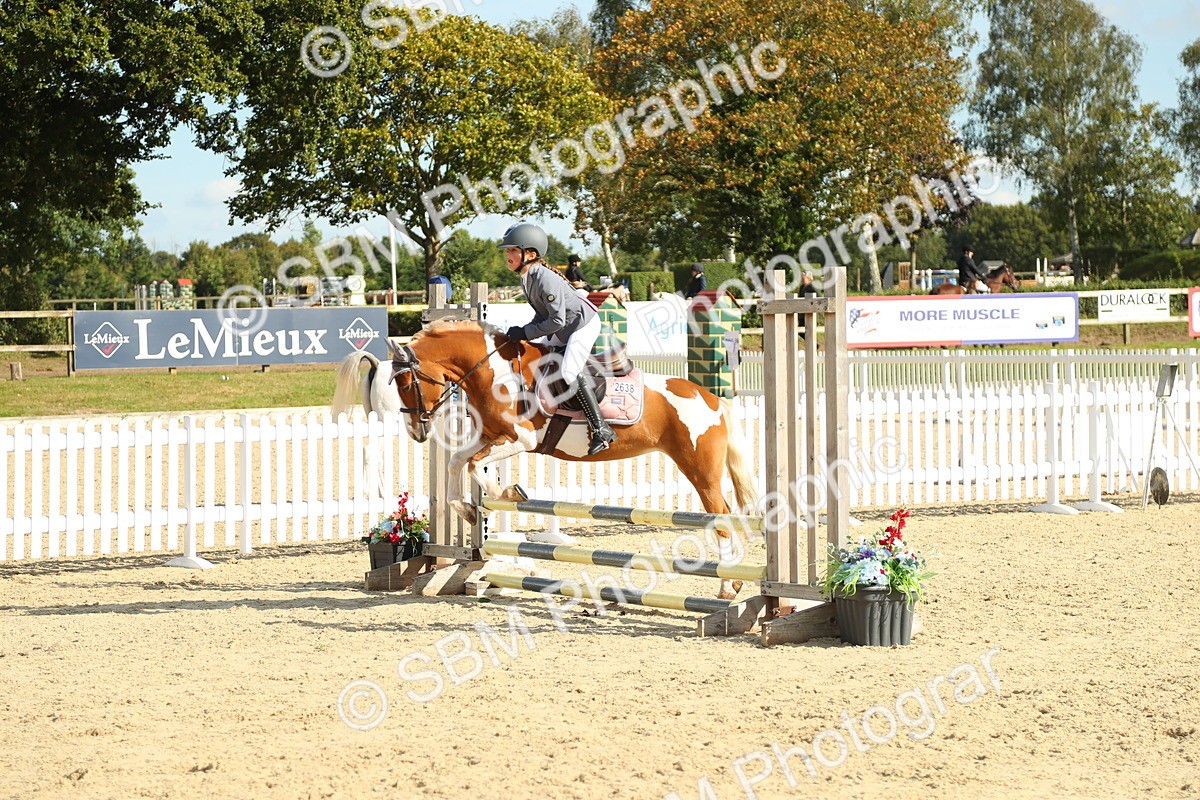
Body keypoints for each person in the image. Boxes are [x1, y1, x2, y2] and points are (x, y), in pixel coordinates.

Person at [499, 222, 616, 455]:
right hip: (565, 326)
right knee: (537, 355)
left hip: (582, 325)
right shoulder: (528, 277)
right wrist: (524, 333)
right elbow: (543, 315)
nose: (507, 255)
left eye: (512, 250)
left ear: (530, 254)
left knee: (569, 371)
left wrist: (526, 332)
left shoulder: (544, 279)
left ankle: (602, 429)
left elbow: (556, 322)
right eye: (508, 250)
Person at [798, 270, 818, 338]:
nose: (802, 279)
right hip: (802, 312)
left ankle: (814, 346)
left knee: (807, 330)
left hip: (809, 311)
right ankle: (814, 346)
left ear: (808, 278)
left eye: (803, 277)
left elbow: (817, 297)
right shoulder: (801, 287)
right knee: (800, 331)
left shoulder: (812, 286)